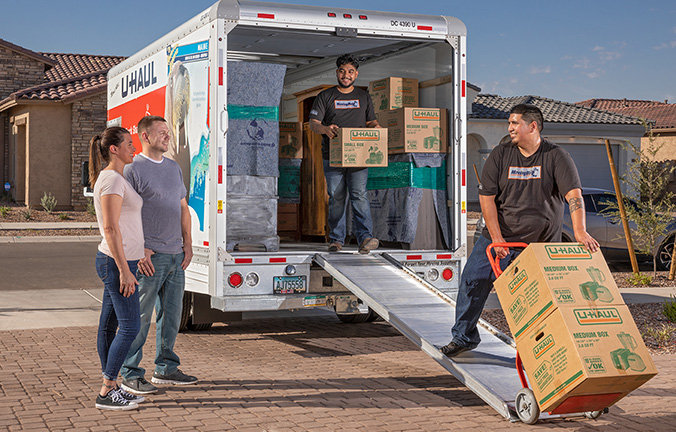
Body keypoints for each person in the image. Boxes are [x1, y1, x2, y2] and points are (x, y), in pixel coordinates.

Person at [441, 104, 600, 357]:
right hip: (497, 239)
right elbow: (487, 199)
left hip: (539, 245)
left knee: (534, 301)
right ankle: (463, 337)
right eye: (509, 123)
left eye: (515, 123)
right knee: (472, 281)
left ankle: (538, 351)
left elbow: (574, 195)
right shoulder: (501, 154)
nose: (510, 128)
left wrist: (579, 231)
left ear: (533, 126)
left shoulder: (556, 156)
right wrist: (497, 238)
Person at [120, 115, 197, 395]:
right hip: (150, 259)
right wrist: (138, 249)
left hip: (176, 255)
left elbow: (183, 209)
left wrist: (188, 244)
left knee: (171, 317)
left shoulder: (174, 168)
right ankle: (130, 372)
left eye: (168, 132)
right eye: (161, 132)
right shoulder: (133, 170)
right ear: (145, 136)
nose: (167, 137)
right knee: (139, 318)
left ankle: (166, 369)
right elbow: (122, 213)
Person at [90, 127, 145, 410]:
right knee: (130, 326)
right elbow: (110, 228)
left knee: (109, 326)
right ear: (114, 149)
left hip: (121, 260)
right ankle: (107, 389)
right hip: (116, 263)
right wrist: (125, 270)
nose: (133, 148)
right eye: (129, 143)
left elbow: (126, 224)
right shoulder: (111, 179)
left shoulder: (115, 178)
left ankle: (110, 385)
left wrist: (141, 254)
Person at [309, 53, 381, 254]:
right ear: (337, 73)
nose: (346, 75)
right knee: (337, 197)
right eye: (342, 71)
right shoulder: (326, 96)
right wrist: (325, 129)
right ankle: (336, 240)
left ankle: (365, 238)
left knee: (359, 196)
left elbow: (371, 122)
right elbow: (313, 124)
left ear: (356, 74)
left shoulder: (363, 97)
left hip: (359, 156)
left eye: (350, 71)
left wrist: (377, 129)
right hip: (332, 157)